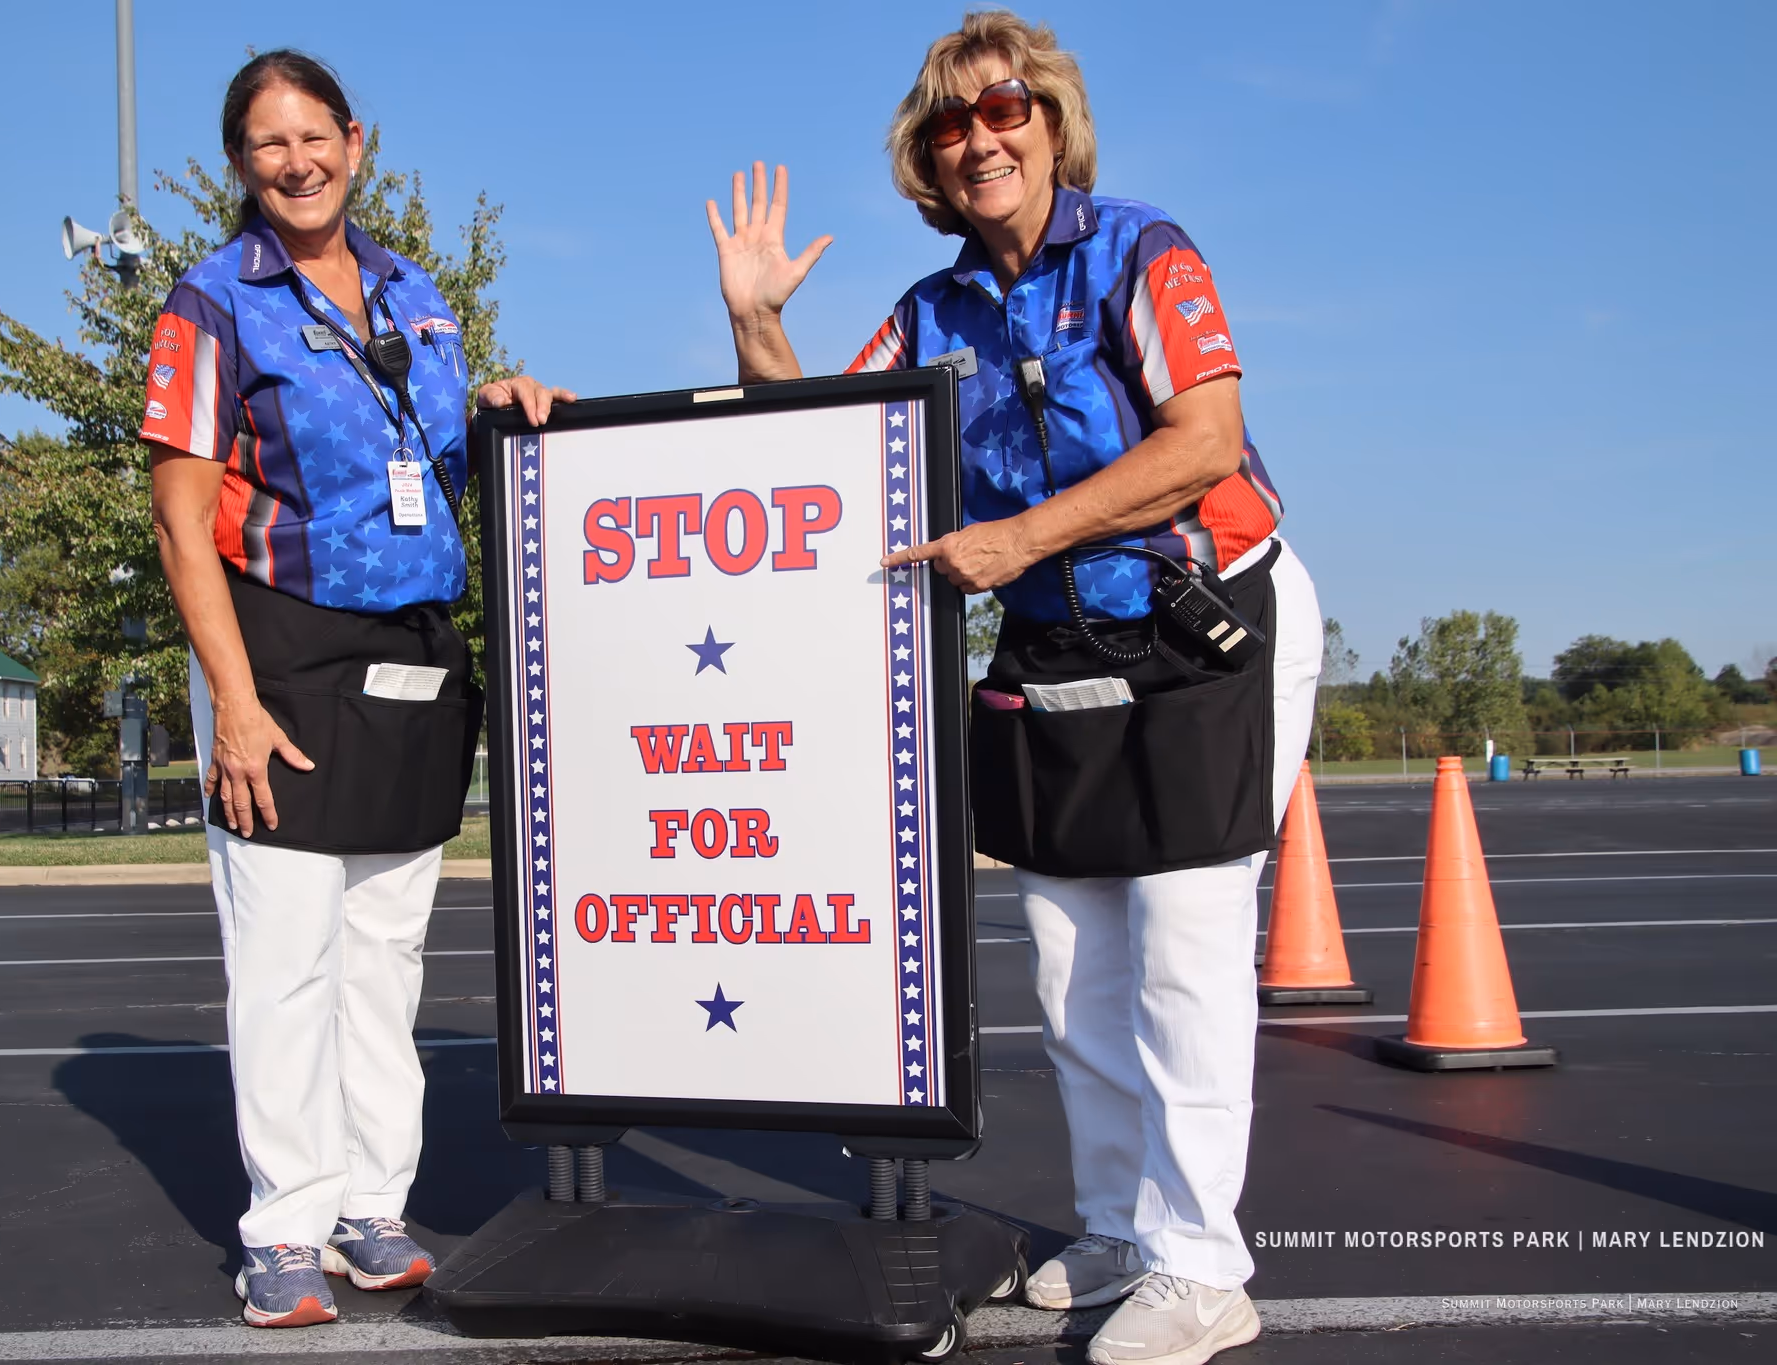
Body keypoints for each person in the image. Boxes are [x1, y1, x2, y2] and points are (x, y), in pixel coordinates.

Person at [705, 12, 1321, 1365]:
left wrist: (1024, 538)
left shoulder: (1143, 248)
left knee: (1183, 958)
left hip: (1199, 625)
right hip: (1049, 654)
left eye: (1003, 111)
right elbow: (827, 449)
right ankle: (1118, 1226)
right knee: (1071, 971)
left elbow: (1204, 438)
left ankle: (1204, 1264)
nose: (979, 139)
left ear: (1051, 121)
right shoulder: (933, 312)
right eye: (950, 126)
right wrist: (759, 326)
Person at [143, 50, 571, 1329]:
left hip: (416, 655)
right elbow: (178, 525)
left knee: (384, 962)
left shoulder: (412, 291)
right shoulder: (210, 302)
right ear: (241, 166)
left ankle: (367, 1211)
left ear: (356, 139)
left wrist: (502, 397)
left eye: (313, 135)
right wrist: (233, 701)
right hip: (281, 650)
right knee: (284, 965)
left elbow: (433, 450)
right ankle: (279, 1227)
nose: (296, 161)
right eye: (267, 145)